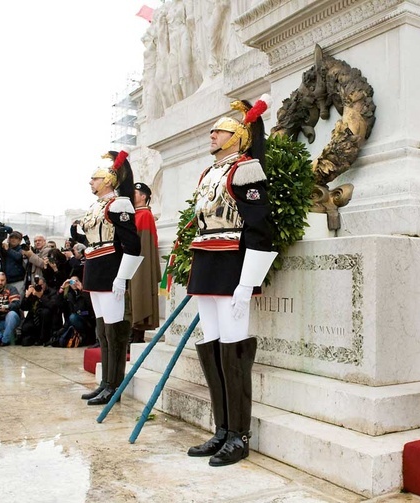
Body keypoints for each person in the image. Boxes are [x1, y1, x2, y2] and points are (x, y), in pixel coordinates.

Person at [184, 95, 277, 467]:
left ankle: (239, 435)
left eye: (218, 130)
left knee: (234, 350)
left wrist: (246, 282)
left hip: (233, 266)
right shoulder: (208, 174)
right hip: (206, 266)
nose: (211, 134)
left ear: (238, 136)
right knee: (211, 346)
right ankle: (222, 429)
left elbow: (260, 228)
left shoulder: (247, 168)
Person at [71, 150, 142, 405]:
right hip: (95, 271)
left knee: (115, 331)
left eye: (95, 178)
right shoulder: (96, 206)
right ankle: (105, 382)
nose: (91, 182)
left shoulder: (119, 204)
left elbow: (133, 245)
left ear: (109, 180)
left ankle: (115, 385)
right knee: (102, 330)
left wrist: (122, 277)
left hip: (111, 271)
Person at [129, 182, 161, 345]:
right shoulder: (132, 214)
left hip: (139, 260)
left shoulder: (145, 215)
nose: (132, 195)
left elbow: (145, 244)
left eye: (135, 193)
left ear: (143, 197)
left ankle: (136, 335)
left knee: (139, 293)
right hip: (130, 259)